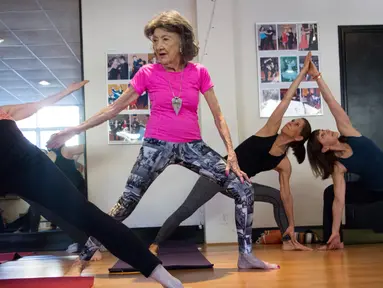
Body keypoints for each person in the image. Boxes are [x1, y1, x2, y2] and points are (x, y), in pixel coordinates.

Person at [47, 10, 279, 271]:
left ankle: (246, 256)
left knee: (243, 189)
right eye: (155, 40)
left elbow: (218, 115)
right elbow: (113, 110)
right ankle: (84, 257)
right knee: (125, 205)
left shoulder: (199, 72)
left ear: (181, 41)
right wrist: (72, 130)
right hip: (155, 146)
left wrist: (231, 154)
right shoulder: (147, 73)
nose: (158, 46)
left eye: (165, 39)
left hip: (193, 146)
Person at [0, 81, 183, 288]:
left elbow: (40, 104)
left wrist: (67, 91)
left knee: (88, 216)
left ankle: (161, 274)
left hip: (29, 166)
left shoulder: (4, 112)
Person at [148, 52, 314, 256]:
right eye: (294, 120)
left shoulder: (283, 163)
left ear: (298, 138)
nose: (291, 122)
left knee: (277, 197)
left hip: (238, 184)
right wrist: (303, 73)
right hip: (219, 172)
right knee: (186, 209)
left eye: (296, 124)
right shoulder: (270, 130)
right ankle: (154, 245)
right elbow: (287, 98)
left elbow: (287, 197)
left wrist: (292, 225)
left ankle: (288, 240)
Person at [306, 60, 383, 251]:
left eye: (323, 130)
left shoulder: (348, 132)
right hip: (373, 190)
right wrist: (335, 230)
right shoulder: (338, 166)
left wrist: (317, 77)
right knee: (330, 193)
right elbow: (339, 200)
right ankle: (332, 239)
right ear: (324, 149)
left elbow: (331, 102)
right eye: (322, 135)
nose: (327, 131)